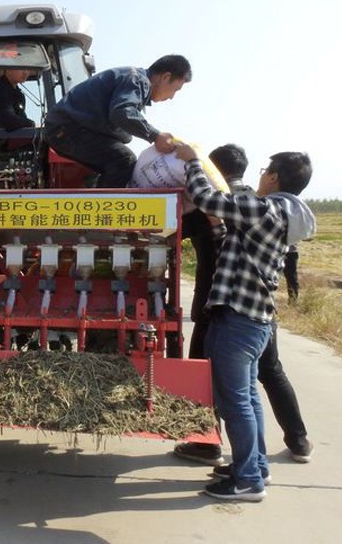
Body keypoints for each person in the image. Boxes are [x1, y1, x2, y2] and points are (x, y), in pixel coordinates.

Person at [174, 144, 315, 502]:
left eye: (266, 171)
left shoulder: (263, 208)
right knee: (248, 398)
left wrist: (192, 160)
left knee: (235, 401)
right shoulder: (283, 214)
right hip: (255, 319)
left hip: (238, 319)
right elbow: (235, 247)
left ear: (274, 177)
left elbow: (206, 197)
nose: (261, 177)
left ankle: (247, 480)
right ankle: (254, 466)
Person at [43, 55, 191, 187]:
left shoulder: (133, 80)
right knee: (123, 160)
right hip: (68, 128)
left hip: (69, 128)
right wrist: (155, 135)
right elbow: (122, 112)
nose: (172, 97)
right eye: (175, 90)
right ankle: (104, 214)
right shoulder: (137, 80)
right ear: (165, 77)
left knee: (110, 164)